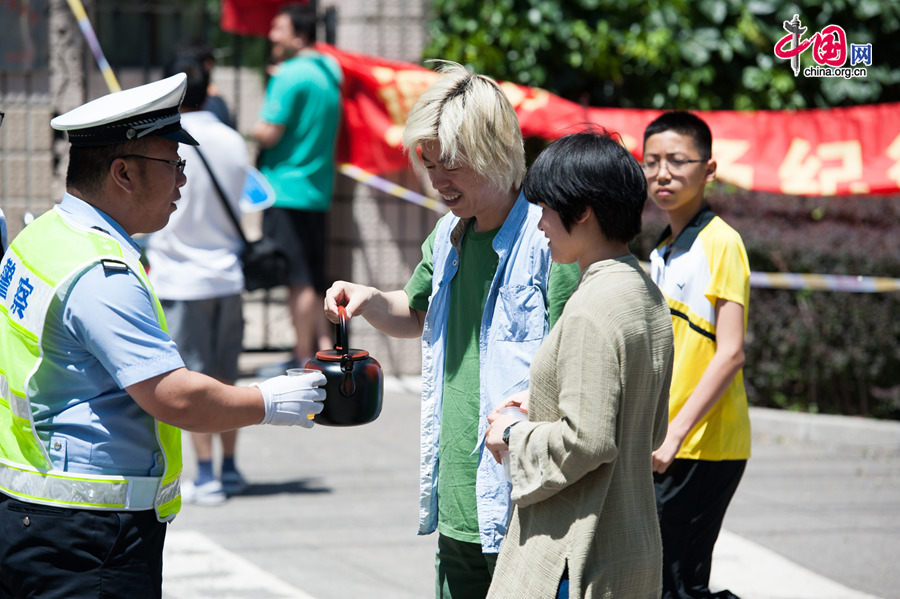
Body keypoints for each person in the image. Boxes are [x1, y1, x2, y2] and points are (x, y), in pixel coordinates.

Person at [0, 73, 326, 598]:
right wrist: (270, 400)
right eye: (172, 165)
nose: (182, 181)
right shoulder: (100, 272)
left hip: (38, 514)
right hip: (91, 534)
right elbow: (173, 397)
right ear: (123, 172)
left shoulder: (44, 235)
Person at [324, 62, 580, 598]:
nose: (438, 180)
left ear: (496, 152)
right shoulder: (446, 235)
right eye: (429, 162)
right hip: (457, 500)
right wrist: (371, 300)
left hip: (524, 497)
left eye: (453, 165)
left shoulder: (549, 240)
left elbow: (575, 360)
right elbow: (417, 313)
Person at [483, 131, 674, 598]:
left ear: (583, 211)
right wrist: (544, 400)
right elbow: (647, 429)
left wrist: (511, 433)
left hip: (576, 555)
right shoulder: (643, 291)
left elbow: (587, 440)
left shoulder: (592, 307)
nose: (540, 222)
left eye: (546, 208)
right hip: (630, 547)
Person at [643, 111, 751, 599]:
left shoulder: (722, 243)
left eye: (677, 161)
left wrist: (675, 436)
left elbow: (730, 354)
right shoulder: (663, 248)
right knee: (665, 580)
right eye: (651, 162)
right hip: (669, 442)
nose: (662, 173)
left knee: (678, 585)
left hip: (703, 446)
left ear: (708, 169)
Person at [145, 53, 250, 505]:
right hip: (226, 274)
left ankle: (204, 472)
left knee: (192, 378)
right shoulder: (232, 140)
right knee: (226, 379)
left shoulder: (167, 144)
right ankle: (228, 467)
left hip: (179, 278)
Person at [252, 2, 342, 372]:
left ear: (299, 35)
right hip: (316, 190)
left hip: (285, 189)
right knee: (313, 277)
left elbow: (269, 131)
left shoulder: (289, 75)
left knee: (298, 281)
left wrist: (245, 131)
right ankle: (323, 348)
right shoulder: (329, 72)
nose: (271, 35)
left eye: (279, 29)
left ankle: (303, 355)